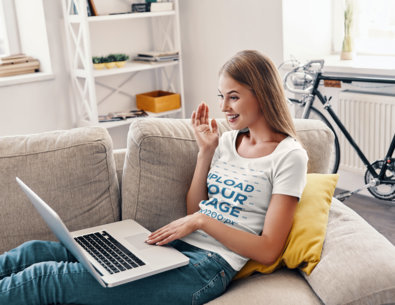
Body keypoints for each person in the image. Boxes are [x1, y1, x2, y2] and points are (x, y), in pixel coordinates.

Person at [0, 50, 307, 305]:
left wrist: (201, 222)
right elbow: (194, 209)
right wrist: (205, 152)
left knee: (47, 279)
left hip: (208, 268)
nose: (223, 107)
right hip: (174, 248)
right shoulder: (227, 142)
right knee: (35, 252)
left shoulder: (289, 156)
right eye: (222, 96)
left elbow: (269, 250)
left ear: (262, 94)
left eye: (234, 97)